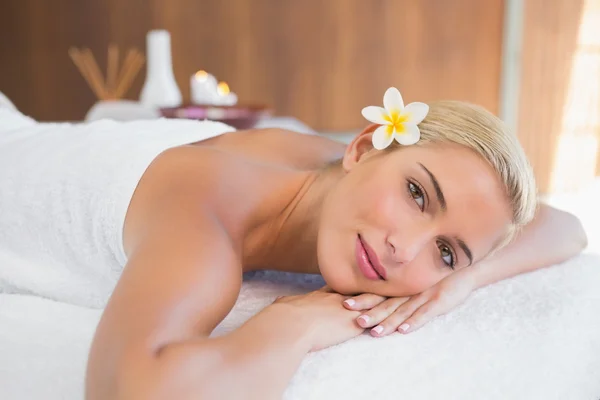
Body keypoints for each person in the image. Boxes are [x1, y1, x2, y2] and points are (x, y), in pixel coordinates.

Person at [0, 89, 587, 399]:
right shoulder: (207, 215)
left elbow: (566, 226)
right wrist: (294, 325)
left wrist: (463, 280)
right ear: (362, 147)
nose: (406, 250)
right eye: (416, 193)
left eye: (447, 250)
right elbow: (128, 392)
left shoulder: (333, 172)